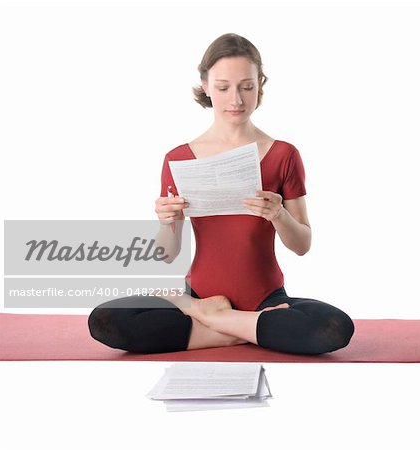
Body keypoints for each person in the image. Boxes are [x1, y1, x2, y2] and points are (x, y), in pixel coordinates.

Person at [88, 33, 355, 355]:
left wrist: (278, 214)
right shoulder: (179, 158)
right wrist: (166, 222)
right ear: (205, 85)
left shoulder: (284, 154)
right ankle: (238, 324)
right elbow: (167, 254)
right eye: (224, 87)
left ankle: (216, 321)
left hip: (267, 298)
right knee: (106, 320)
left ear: (260, 84)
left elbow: (302, 245)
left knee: (333, 328)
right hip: (199, 295)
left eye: (247, 86)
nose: (237, 100)